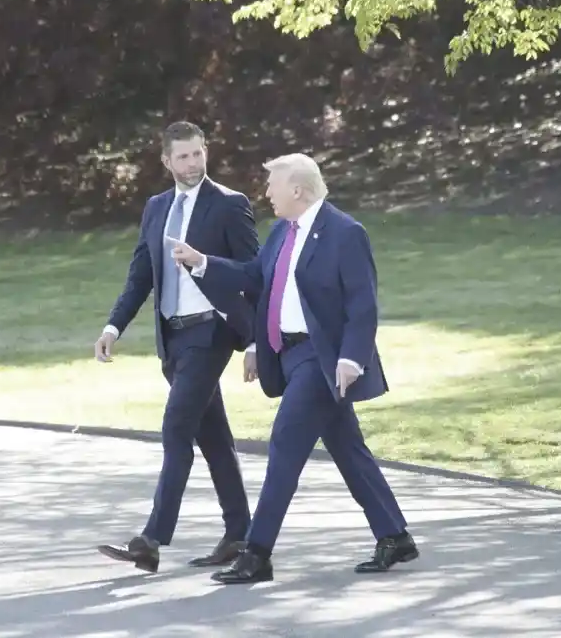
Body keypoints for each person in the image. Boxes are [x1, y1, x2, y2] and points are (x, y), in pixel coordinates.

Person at [168, 152, 418, 584]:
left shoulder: (345, 233)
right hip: (290, 356)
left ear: (298, 190)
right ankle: (395, 535)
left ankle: (257, 552)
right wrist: (202, 262)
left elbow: (363, 304)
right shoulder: (282, 231)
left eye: (273, 185)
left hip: (322, 360)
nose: (266, 193)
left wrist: (350, 358)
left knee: (284, 445)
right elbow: (253, 277)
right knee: (347, 449)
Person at [93, 121, 258, 574]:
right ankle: (240, 533)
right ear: (166, 161)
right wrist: (113, 327)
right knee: (215, 439)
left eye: (197, 154)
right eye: (182, 157)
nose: (192, 164)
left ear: (207, 152)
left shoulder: (229, 205)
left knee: (175, 429)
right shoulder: (156, 208)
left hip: (212, 333)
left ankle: (152, 538)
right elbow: (140, 276)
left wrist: (256, 341)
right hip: (173, 338)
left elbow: (254, 274)